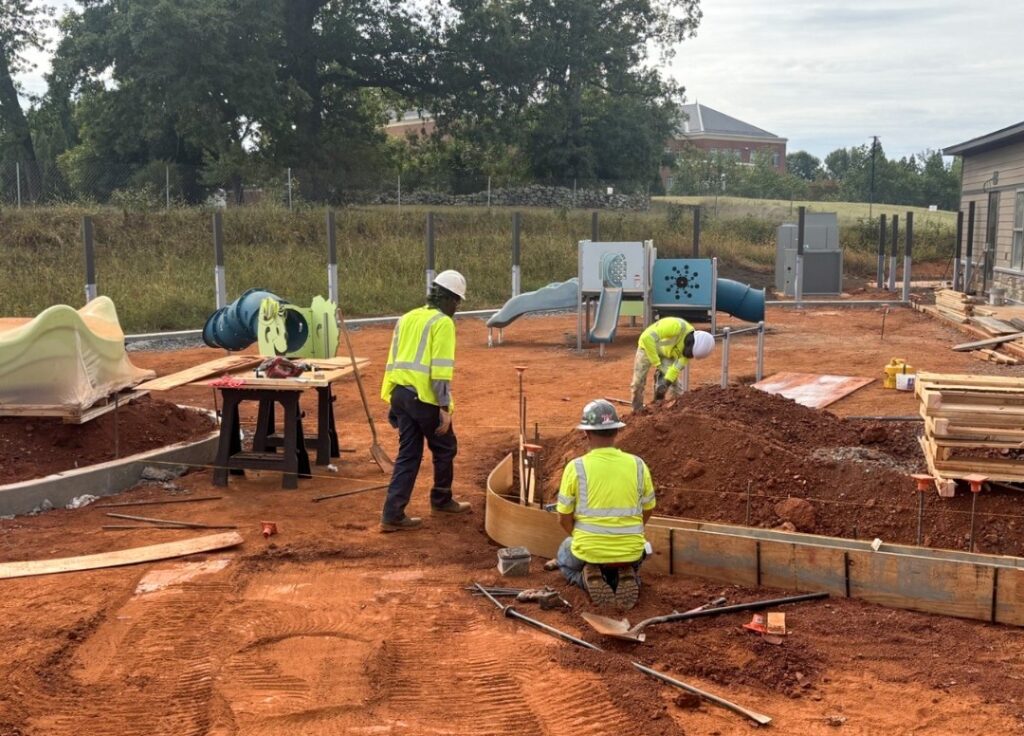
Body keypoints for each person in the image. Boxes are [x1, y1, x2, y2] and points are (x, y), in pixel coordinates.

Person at [379, 270, 471, 532]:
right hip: (424, 399)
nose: (457, 307)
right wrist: (444, 409)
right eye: (457, 301)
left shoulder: (406, 318)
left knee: (408, 454)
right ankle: (441, 500)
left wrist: (392, 401)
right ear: (447, 298)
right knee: (445, 446)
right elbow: (440, 370)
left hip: (400, 394)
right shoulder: (442, 323)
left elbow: (393, 361)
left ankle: (392, 514)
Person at [552, 399, 656, 610]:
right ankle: (627, 576)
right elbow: (649, 508)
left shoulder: (576, 467)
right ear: (617, 431)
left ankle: (585, 579)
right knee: (638, 551)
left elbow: (562, 517)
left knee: (564, 556)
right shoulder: (638, 465)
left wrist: (582, 537)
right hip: (630, 549)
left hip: (589, 549)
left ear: (587, 434)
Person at [630, 317, 715, 411]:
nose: (688, 356)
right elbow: (646, 338)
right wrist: (657, 363)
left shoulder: (687, 355)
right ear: (690, 341)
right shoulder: (677, 326)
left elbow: (674, 370)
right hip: (647, 347)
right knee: (638, 382)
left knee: (675, 386)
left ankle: (672, 412)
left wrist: (665, 385)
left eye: (692, 355)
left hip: (667, 354)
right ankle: (637, 410)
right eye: (690, 352)